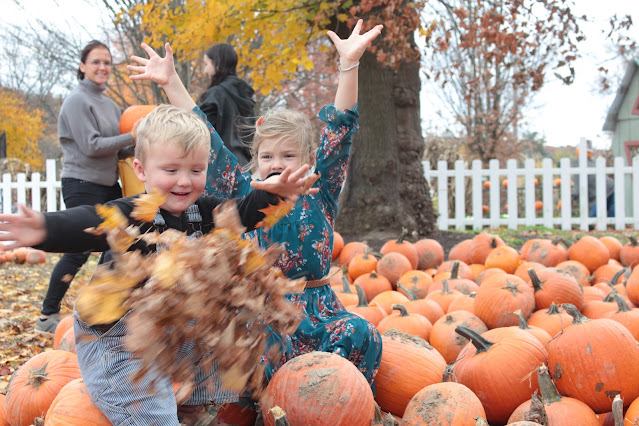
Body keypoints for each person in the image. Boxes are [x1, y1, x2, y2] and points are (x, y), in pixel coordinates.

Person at [0, 104, 317, 425]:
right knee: (154, 417)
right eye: (171, 170)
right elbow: (90, 221)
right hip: (117, 344)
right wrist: (44, 228)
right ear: (141, 170)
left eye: (196, 171)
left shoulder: (202, 212)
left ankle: (188, 405)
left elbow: (243, 213)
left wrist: (275, 195)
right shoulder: (134, 214)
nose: (184, 181)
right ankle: (163, 413)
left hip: (166, 334)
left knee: (227, 320)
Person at [127, 20, 385, 402]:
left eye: (287, 155)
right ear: (256, 161)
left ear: (308, 160)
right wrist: (171, 82)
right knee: (245, 358)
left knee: (364, 335)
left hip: (319, 314)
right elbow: (209, 141)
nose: (276, 163)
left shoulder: (321, 191)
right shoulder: (245, 193)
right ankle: (270, 411)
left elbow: (340, 133)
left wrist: (349, 65)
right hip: (263, 316)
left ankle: (346, 407)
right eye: (267, 156)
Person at [35, 40, 136, 334]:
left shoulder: (110, 105)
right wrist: (132, 135)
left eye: (107, 62)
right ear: (82, 66)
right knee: (79, 249)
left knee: (122, 241)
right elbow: (92, 146)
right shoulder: (77, 101)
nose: (102, 67)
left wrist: (142, 146)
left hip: (108, 184)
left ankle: (103, 309)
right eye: (96, 62)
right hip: (81, 183)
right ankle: (47, 315)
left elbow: (116, 148)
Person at [198, 43, 256, 167]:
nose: (205, 71)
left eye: (206, 64)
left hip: (220, 166)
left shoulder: (216, 94)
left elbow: (200, 132)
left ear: (217, 64)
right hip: (245, 165)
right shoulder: (245, 95)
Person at [571, 140, 615, 217]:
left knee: (592, 219)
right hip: (611, 188)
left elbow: (577, 189)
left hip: (604, 192)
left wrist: (568, 199)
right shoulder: (592, 163)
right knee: (610, 218)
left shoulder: (577, 163)